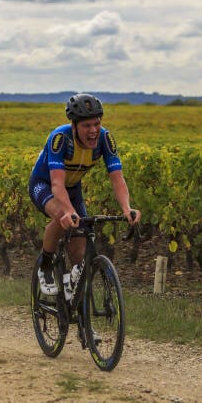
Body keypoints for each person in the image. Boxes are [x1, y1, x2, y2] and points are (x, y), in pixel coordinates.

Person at [28, 93, 141, 295]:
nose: (93, 130)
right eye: (86, 126)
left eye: (96, 124)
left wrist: (126, 208)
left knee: (79, 241)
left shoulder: (105, 139)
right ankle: (45, 266)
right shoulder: (60, 139)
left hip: (72, 189)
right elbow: (56, 183)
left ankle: (72, 280)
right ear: (74, 126)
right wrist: (68, 210)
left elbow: (117, 178)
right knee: (61, 216)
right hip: (44, 184)